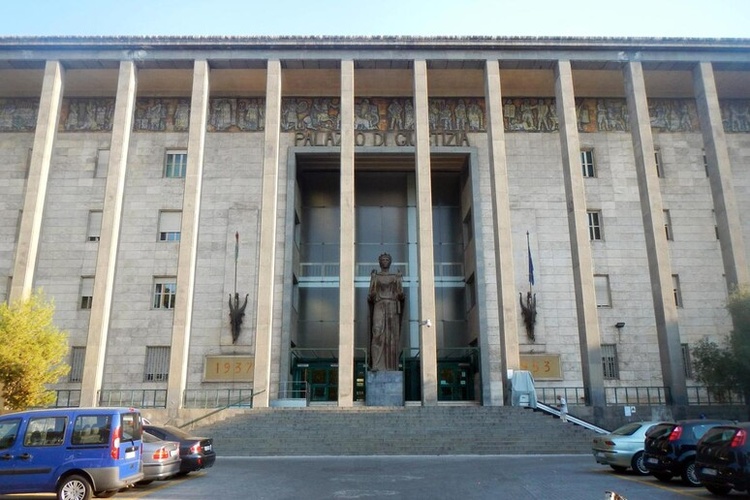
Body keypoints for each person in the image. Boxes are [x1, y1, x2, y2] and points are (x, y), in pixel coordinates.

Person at [368, 253, 405, 371]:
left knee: (391, 336)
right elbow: (371, 295)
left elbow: (400, 294)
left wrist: (399, 281)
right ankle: (376, 365)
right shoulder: (376, 276)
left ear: (390, 262)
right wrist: (373, 281)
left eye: (387, 259)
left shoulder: (395, 277)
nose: (385, 261)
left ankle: (391, 366)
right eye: (383, 259)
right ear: (379, 262)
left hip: (391, 305)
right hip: (379, 305)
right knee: (377, 332)